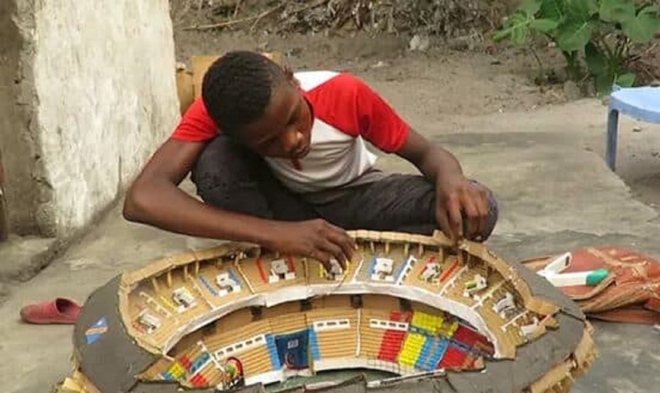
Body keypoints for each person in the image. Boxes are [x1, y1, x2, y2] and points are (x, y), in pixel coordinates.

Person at [122, 50, 498, 271]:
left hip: (355, 198)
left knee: (476, 207)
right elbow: (143, 199)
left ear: (293, 81)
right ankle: (277, 258)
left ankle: (335, 245)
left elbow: (426, 153)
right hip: (282, 211)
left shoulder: (343, 92)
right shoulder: (217, 111)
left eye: (293, 117)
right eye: (268, 141)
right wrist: (278, 234)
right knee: (215, 162)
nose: (294, 139)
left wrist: (452, 177)